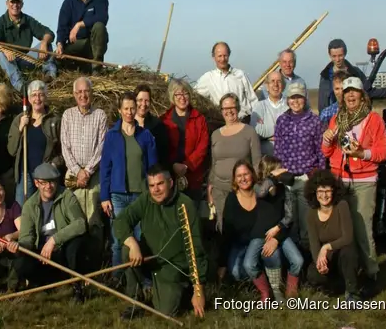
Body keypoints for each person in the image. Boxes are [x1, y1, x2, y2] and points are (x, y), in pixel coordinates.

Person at [321, 76, 386, 295]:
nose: (350, 95)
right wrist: (326, 140)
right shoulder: (336, 119)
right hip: (340, 180)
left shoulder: (373, 120)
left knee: (362, 230)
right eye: (347, 92)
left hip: (364, 181)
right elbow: (328, 152)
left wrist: (362, 153)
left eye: (355, 92)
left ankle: (371, 274)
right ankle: (346, 274)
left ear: (362, 96)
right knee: (339, 230)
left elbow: (385, 151)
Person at [115, 165, 207, 320]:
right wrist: (132, 244)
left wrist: (198, 290)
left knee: (165, 313)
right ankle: (136, 301)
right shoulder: (145, 200)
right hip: (149, 259)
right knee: (126, 251)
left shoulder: (185, 205)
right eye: (151, 186)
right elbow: (121, 221)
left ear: (170, 183)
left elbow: (195, 248)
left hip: (173, 267)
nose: (155, 190)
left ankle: (182, 291)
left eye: (160, 184)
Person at [100, 92, 158, 275]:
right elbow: (105, 168)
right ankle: (118, 278)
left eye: (132, 108)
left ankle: (139, 278)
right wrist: (104, 197)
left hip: (140, 195)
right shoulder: (112, 136)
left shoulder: (145, 136)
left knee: (140, 237)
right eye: (125, 108)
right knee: (119, 239)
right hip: (118, 195)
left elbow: (153, 168)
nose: (129, 112)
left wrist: (152, 193)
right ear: (119, 110)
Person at [14, 163, 88, 302]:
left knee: (76, 245)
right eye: (44, 183)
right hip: (42, 256)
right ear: (36, 183)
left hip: (63, 251)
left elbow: (80, 224)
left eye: (52, 182)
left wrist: (54, 240)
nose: (49, 186)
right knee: (20, 262)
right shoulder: (29, 206)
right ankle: (42, 284)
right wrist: (19, 246)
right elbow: (27, 238)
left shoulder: (67, 196)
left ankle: (77, 286)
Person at [217, 161, 285, 302]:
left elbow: (280, 217)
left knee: (273, 255)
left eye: (246, 174)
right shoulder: (231, 198)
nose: (243, 179)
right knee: (236, 272)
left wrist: (276, 238)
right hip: (240, 244)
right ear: (234, 179)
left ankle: (274, 289)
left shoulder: (262, 193)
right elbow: (226, 232)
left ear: (252, 175)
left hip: (263, 241)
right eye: (239, 176)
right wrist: (222, 264)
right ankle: (258, 283)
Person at [273, 82, 324, 248]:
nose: (296, 101)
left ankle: (309, 261)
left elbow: (320, 151)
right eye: (292, 97)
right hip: (287, 179)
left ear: (305, 98)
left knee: (307, 222)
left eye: (299, 97)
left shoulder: (314, 121)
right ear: (287, 100)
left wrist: (319, 177)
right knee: (289, 221)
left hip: (306, 178)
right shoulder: (281, 121)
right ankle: (293, 266)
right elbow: (278, 150)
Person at [60, 76, 107, 255]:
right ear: (74, 94)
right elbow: (65, 147)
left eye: (86, 91)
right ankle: (75, 262)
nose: (83, 95)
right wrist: (77, 171)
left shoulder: (100, 115)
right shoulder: (68, 115)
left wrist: (87, 171)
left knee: (94, 219)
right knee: (75, 219)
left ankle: (95, 262)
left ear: (91, 93)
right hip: (73, 177)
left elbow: (101, 147)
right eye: (79, 92)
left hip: (93, 177)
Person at [304, 169, 360, 301]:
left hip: (343, 253)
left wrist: (327, 247)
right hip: (328, 257)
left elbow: (348, 237)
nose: (324, 195)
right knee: (313, 273)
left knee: (348, 251)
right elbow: (314, 244)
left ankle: (352, 293)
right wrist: (319, 261)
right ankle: (332, 287)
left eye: (327, 191)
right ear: (314, 193)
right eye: (320, 191)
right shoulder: (311, 214)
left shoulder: (341, 205)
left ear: (334, 191)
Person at [253, 156, 304, 300]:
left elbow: (289, 216)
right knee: (272, 256)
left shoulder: (283, 190)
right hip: (262, 235)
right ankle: (275, 291)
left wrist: (278, 229)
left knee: (298, 261)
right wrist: (272, 178)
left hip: (280, 232)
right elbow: (261, 193)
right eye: (278, 169)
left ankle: (291, 291)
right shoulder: (258, 186)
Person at [207, 93, 261, 229]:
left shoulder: (249, 132)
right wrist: (210, 187)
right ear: (221, 111)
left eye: (232, 107)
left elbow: (256, 162)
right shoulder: (215, 135)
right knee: (223, 226)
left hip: (241, 189)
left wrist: (254, 187)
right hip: (219, 189)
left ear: (237, 108)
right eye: (225, 108)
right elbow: (214, 163)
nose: (229, 111)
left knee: (242, 227)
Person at [0, 0, 57, 91]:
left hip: (26, 59)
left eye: (18, 2)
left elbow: (48, 33)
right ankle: (20, 85)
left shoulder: (28, 20)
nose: (15, 5)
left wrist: (44, 42)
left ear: (22, 5)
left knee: (47, 44)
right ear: (7, 4)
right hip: (9, 60)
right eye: (12, 2)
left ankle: (50, 74)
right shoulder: (0, 22)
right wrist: (4, 50)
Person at [8, 80, 63, 205]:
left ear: (45, 97)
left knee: (45, 210)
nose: (37, 98)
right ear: (28, 98)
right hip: (25, 175)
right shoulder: (19, 119)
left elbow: (63, 151)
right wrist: (20, 128)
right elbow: (11, 150)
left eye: (41, 94)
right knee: (23, 211)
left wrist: (54, 164)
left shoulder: (54, 121)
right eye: (34, 95)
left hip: (46, 176)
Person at [318, 38, 386, 112]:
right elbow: (322, 105)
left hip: (354, 119)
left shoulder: (356, 73)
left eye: (340, 55)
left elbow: (370, 92)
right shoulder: (325, 76)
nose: (337, 59)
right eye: (334, 56)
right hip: (333, 121)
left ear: (345, 54)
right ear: (329, 55)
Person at [160, 79, 209, 202]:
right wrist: (173, 165)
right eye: (178, 94)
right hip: (170, 177)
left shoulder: (199, 119)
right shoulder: (164, 120)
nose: (182, 97)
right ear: (173, 96)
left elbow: (202, 146)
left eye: (185, 93)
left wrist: (187, 165)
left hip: (193, 177)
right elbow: (161, 147)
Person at [55, 0, 109, 75]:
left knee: (99, 27)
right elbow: (62, 27)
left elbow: (103, 17)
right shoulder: (68, 2)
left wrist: (79, 24)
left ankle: (96, 69)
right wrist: (59, 43)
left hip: (94, 44)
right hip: (76, 45)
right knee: (56, 57)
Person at [194, 42, 259, 122]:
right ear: (213, 57)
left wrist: (257, 118)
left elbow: (253, 99)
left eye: (225, 56)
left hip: (243, 121)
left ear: (229, 55)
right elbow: (194, 97)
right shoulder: (208, 78)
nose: (222, 59)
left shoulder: (240, 74)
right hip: (221, 123)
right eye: (219, 56)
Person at [250, 70, 288, 156]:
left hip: (287, 158)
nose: (275, 84)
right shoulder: (259, 107)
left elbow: (295, 132)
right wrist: (282, 131)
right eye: (272, 81)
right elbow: (256, 131)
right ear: (267, 86)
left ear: (283, 86)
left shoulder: (290, 106)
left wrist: (267, 136)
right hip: (266, 158)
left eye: (279, 81)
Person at [133, 84, 170, 168]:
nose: (143, 104)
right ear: (134, 101)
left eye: (147, 100)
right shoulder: (126, 124)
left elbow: (163, 155)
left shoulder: (158, 125)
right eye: (140, 100)